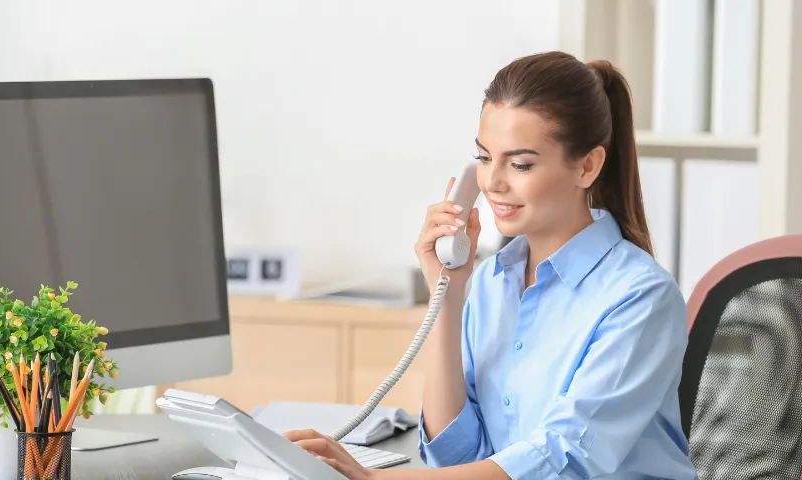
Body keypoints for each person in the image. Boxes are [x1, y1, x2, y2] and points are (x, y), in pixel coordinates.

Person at [284, 50, 698, 479]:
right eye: (484, 158)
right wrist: (447, 293)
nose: (493, 182)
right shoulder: (491, 281)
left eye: (520, 164)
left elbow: (564, 460)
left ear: (587, 166)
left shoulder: (641, 297)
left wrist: (373, 478)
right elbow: (455, 455)